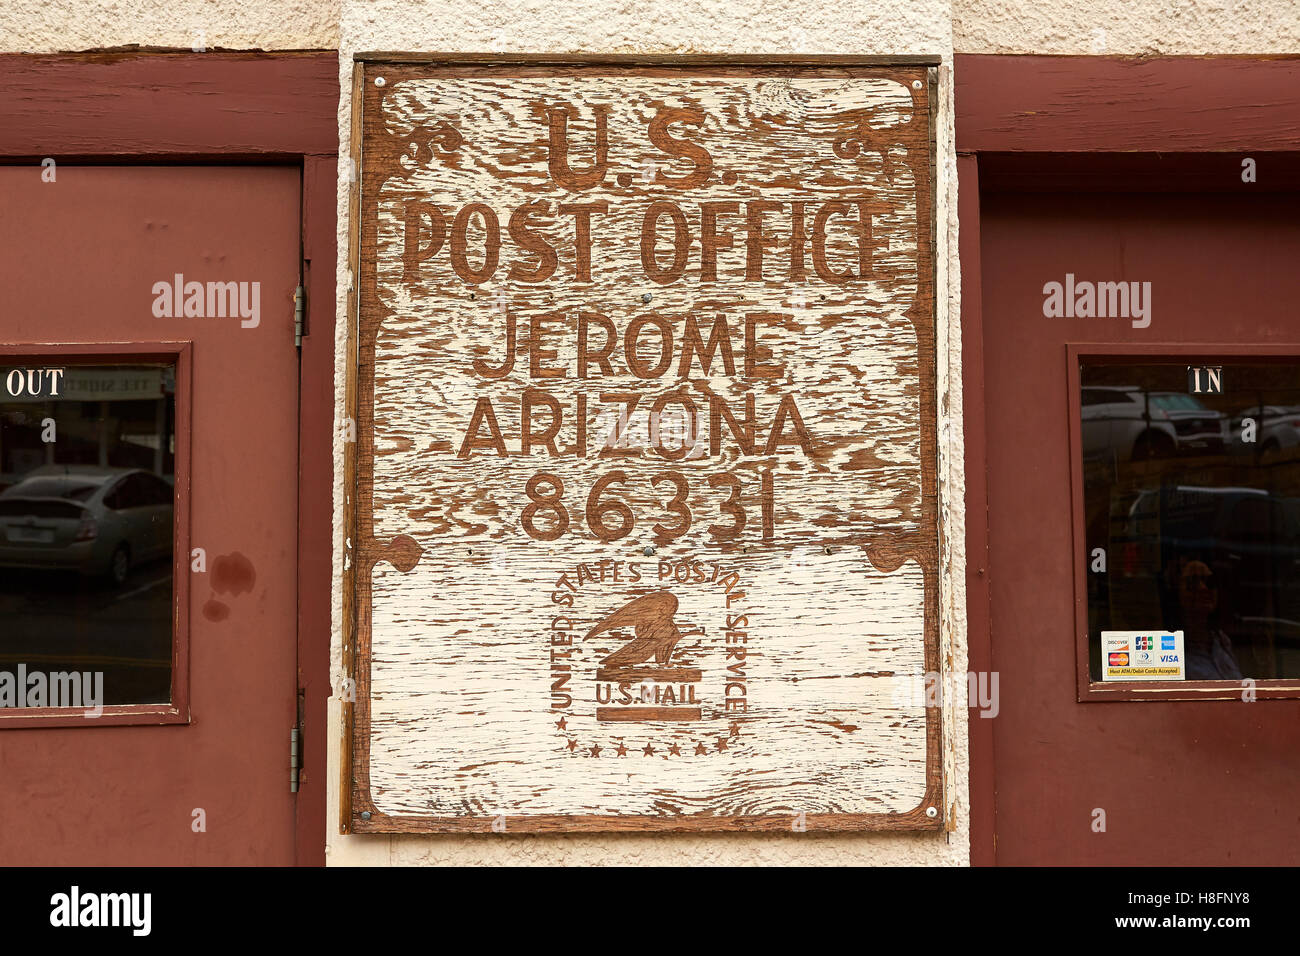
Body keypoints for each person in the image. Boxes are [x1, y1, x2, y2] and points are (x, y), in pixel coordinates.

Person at [1174, 558, 1244, 680]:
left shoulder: (1222, 642)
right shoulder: (1171, 650)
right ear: (1177, 592)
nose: (1203, 588)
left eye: (1210, 582)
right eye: (1192, 582)